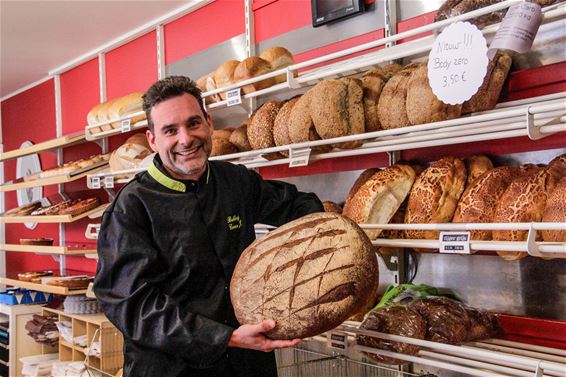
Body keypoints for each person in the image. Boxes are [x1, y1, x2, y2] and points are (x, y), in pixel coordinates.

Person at [93, 75, 324, 377]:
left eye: (193, 123)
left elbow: (298, 206)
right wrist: (224, 338)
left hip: (248, 363)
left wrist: (324, 248)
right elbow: (133, 306)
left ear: (209, 122)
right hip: (172, 368)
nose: (186, 139)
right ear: (153, 140)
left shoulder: (235, 181)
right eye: (170, 130)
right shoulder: (131, 208)